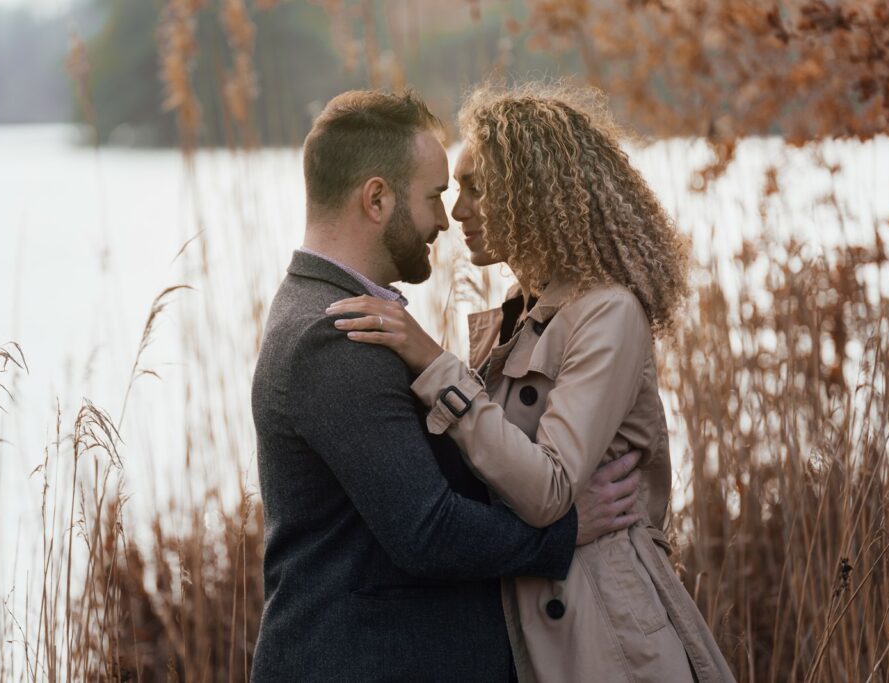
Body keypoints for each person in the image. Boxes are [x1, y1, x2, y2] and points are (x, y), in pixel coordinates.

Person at [328, 83, 736, 682]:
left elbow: (547, 488)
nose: (455, 212)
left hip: (608, 637)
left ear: (533, 194)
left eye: (476, 188)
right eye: (455, 190)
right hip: (536, 630)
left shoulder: (608, 313)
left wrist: (430, 359)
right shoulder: (517, 318)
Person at [250, 89, 645, 682]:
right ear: (377, 199)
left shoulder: (350, 315)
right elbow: (427, 530)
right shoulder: (334, 333)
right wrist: (564, 532)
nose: (446, 218)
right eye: (435, 196)